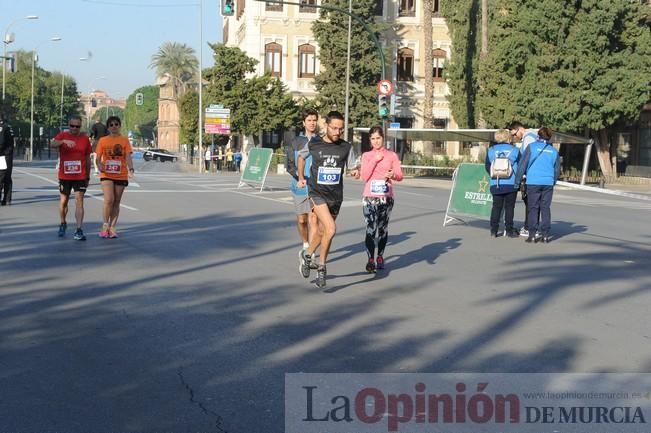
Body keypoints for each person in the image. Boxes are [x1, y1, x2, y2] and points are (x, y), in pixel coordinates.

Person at [297, 110, 358, 289]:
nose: (337, 132)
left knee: (324, 232)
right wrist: (301, 177)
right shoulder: (314, 143)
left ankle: (307, 256)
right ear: (326, 125)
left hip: (335, 196)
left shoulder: (346, 147)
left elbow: (353, 166)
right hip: (317, 193)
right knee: (331, 228)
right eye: (334, 128)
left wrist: (355, 171)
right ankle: (322, 267)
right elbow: (301, 158)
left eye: (340, 129)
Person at [360, 125, 403, 273]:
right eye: (373, 139)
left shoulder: (392, 155)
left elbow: (400, 175)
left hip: (386, 197)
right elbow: (364, 176)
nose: (376, 141)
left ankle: (380, 256)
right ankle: (370, 259)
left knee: (382, 228)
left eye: (378, 138)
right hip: (370, 197)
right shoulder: (366, 156)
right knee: (371, 228)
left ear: (383, 138)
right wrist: (375, 160)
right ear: (370, 140)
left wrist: (393, 175)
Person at [514, 127, 560, 243]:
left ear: (538, 135)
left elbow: (522, 165)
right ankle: (545, 235)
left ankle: (532, 234)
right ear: (549, 137)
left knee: (533, 208)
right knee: (545, 208)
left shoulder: (531, 147)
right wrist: (553, 181)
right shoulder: (553, 151)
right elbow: (557, 169)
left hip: (533, 181)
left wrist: (517, 182)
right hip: (547, 182)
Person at [51, 115, 92, 240]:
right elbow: (52, 143)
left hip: (80, 175)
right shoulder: (62, 136)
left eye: (77, 126)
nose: (74, 128)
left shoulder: (85, 139)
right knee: (63, 202)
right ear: (69, 125)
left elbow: (87, 158)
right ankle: (63, 223)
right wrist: (63, 142)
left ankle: (79, 229)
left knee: (79, 201)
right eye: (72, 126)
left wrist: (88, 175)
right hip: (65, 175)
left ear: (80, 126)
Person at [286, 108, 319, 258]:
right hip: (299, 185)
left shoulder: (320, 141)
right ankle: (305, 243)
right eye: (309, 120)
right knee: (302, 220)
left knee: (313, 219)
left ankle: (310, 251)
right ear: (303, 123)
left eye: (314, 120)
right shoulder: (296, 142)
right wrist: (299, 178)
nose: (312, 123)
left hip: (316, 186)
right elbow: (290, 164)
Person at [95, 116, 134, 238]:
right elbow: (97, 157)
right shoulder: (102, 140)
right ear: (108, 127)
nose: (114, 126)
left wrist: (131, 168)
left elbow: (127, 156)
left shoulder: (124, 140)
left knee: (116, 201)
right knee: (109, 199)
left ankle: (112, 227)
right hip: (106, 173)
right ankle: (105, 225)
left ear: (119, 126)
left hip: (121, 174)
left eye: (116, 124)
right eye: (111, 124)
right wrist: (99, 164)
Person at [485, 128, 520, 238]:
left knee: (496, 207)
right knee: (510, 207)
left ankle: (493, 230)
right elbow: (520, 166)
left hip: (496, 182)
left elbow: (487, 166)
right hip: (511, 183)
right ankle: (509, 230)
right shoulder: (515, 150)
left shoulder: (491, 150)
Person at [508, 121, 539, 237]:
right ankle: (532, 227)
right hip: (536, 174)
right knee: (534, 203)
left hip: (530, 175)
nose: (515, 137)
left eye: (514, 134)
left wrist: (521, 175)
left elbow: (527, 159)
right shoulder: (533, 135)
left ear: (519, 129)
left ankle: (529, 227)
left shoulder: (528, 139)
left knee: (530, 203)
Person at [0, 114, 15, 206]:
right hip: (8, 155)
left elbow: (1, 143)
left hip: (2, 155)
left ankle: (5, 198)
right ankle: (7, 199)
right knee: (7, 177)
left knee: (1, 176)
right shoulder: (8, 126)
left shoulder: (2, 128)